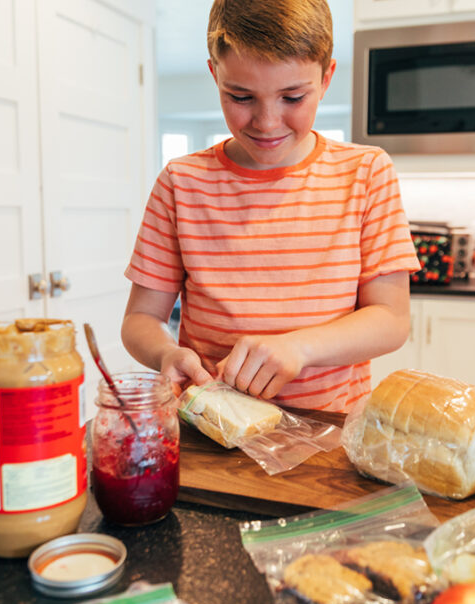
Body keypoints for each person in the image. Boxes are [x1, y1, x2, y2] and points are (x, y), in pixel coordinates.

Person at [121, 0, 420, 412]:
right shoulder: (181, 182)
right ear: (215, 74)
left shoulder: (366, 173)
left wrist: (299, 348)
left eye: (293, 97)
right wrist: (165, 353)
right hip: (211, 427)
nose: (266, 121)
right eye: (241, 96)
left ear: (327, 76)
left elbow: (391, 319)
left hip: (329, 431)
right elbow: (141, 319)